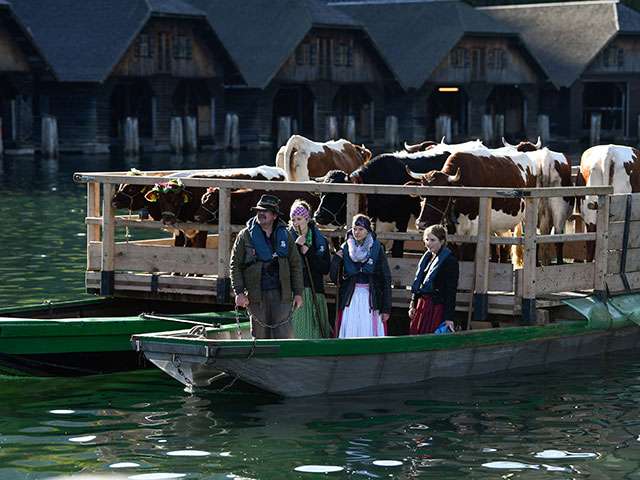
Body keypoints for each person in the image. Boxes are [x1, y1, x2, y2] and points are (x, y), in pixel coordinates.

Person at [230, 194, 303, 339]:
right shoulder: (244, 236)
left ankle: (281, 361)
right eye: (258, 210)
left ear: (275, 215)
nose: (261, 213)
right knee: (259, 337)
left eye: (265, 210)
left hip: (282, 294)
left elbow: (295, 265)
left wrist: (298, 293)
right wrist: (239, 292)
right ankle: (258, 362)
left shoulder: (286, 235)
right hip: (256, 295)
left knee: (285, 336)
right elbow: (235, 265)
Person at [330, 214, 392, 338]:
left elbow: (385, 278)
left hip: (370, 298)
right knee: (351, 329)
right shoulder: (346, 247)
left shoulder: (376, 249)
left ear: (368, 230)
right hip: (350, 298)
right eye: (354, 229)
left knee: (367, 330)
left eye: (361, 229)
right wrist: (336, 260)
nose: (357, 232)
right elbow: (334, 278)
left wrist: (386, 309)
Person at [288, 200, 331, 338]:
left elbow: (325, 269)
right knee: (300, 330)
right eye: (293, 220)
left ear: (306, 219)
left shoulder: (320, 240)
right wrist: (296, 247)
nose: (296, 223)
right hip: (296, 290)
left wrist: (309, 252)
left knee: (317, 328)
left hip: (315, 290)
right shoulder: (287, 239)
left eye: (299, 219)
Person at [408, 224, 459, 334]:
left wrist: (449, 318)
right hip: (422, 304)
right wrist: (413, 304)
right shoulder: (426, 259)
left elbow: (450, 291)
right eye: (426, 239)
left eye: (432, 240)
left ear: (442, 241)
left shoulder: (450, 262)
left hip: (436, 306)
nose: (428, 243)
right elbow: (418, 283)